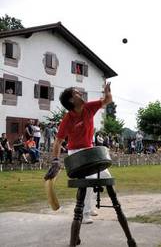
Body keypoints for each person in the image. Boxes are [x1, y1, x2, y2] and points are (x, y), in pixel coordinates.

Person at [44, 83, 113, 224]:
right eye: (76, 93)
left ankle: (90, 206)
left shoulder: (89, 107)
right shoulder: (68, 119)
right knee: (87, 180)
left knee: (105, 175)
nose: (80, 93)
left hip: (90, 150)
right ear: (71, 100)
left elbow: (107, 101)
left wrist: (107, 92)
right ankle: (84, 213)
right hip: (76, 152)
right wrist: (55, 161)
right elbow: (58, 142)